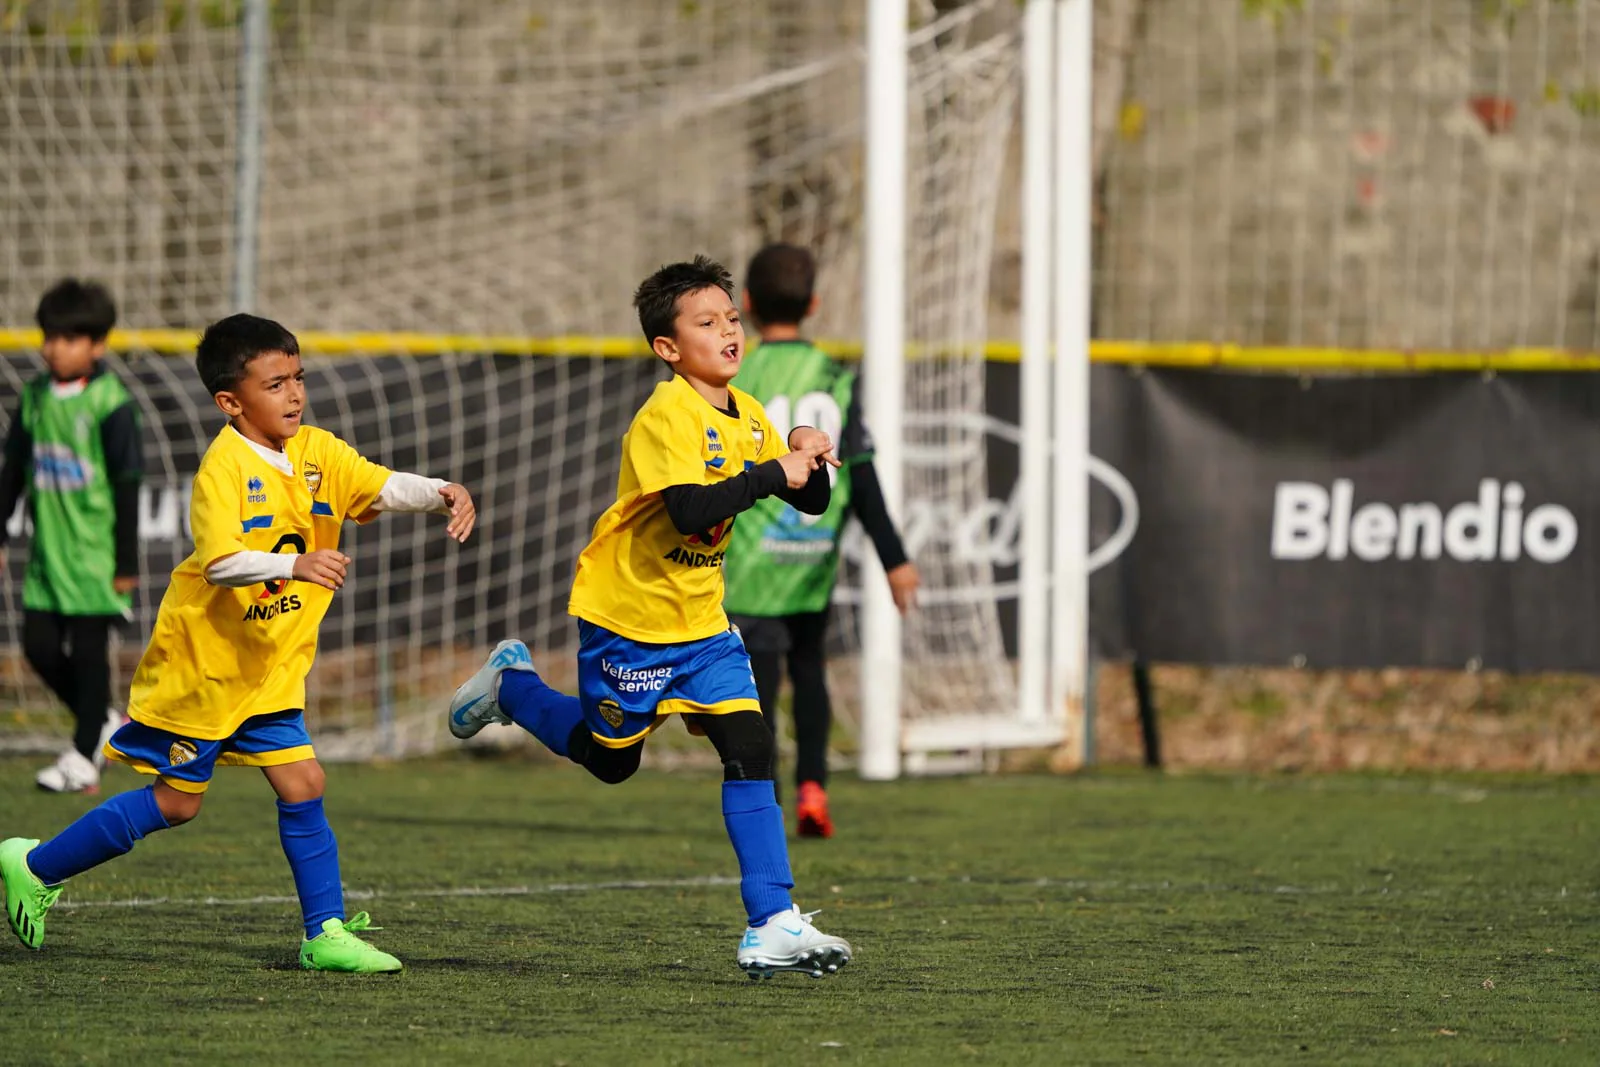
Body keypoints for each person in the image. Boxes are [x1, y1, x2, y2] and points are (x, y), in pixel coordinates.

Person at [0, 313, 476, 972]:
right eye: (275, 383)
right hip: (206, 669)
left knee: (304, 780)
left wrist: (441, 492)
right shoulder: (221, 470)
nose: (295, 394)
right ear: (231, 401)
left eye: (298, 377)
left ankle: (324, 932)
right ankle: (33, 864)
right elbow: (221, 562)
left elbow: (378, 482)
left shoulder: (316, 449)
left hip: (267, 668)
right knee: (177, 802)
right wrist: (294, 565)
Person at [447, 255, 853, 979]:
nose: (728, 331)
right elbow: (691, 507)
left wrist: (804, 456)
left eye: (731, 318)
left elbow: (811, 500)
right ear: (668, 348)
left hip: (701, 625)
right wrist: (772, 472)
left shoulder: (749, 412)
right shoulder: (665, 414)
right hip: (627, 621)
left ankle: (772, 921)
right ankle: (511, 687)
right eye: (707, 323)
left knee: (752, 745)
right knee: (611, 762)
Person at [722, 244, 919, 838]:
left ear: (748, 305)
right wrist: (895, 559)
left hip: (752, 564)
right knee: (811, 672)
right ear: (813, 304)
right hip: (811, 556)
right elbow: (861, 474)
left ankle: (770, 805)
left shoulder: (738, 373)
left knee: (757, 690)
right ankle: (814, 787)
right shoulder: (834, 376)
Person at [0, 279, 141, 795]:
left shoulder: (111, 404)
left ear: (97, 345)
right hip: (47, 556)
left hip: (94, 558)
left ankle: (85, 754)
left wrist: (126, 564)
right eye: (48, 335)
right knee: (36, 648)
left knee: (87, 656)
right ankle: (103, 719)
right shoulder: (35, 397)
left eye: (66, 337)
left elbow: (127, 487)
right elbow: (12, 470)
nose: (52, 346)